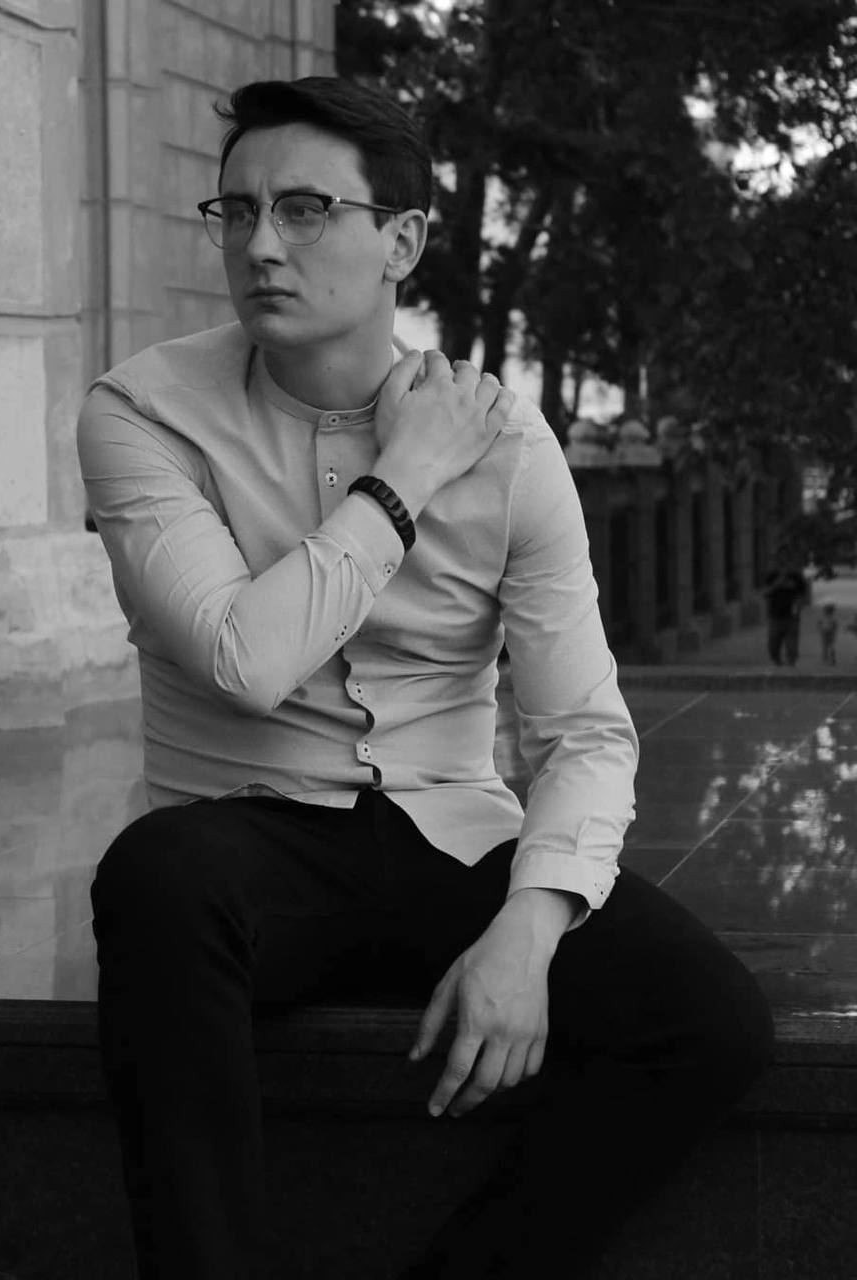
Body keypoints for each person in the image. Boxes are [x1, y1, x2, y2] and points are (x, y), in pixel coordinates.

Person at [78, 77, 773, 1280]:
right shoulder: (142, 412)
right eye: (236, 210)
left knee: (709, 1020)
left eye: (304, 210)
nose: (260, 245)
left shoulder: (508, 442)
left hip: (447, 832)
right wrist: (399, 483)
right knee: (153, 879)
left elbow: (583, 731)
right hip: (242, 843)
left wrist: (529, 928)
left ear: (399, 242)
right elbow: (246, 658)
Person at [762, 551, 808, 665]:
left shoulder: (796, 576)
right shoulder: (771, 575)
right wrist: (776, 584)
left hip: (792, 614)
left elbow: (803, 592)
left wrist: (799, 604)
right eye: (781, 562)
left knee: (792, 641)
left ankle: (791, 660)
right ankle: (776, 659)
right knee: (773, 642)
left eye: (787, 561)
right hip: (775, 614)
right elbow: (765, 592)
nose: (784, 566)